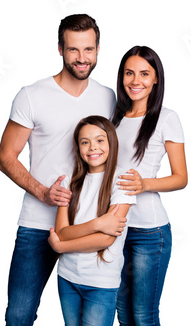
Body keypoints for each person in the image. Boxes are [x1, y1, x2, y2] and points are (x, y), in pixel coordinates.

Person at [0, 14, 119, 326]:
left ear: (98, 49)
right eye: (74, 50)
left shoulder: (107, 97)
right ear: (60, 49)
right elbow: (6, 156)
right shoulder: (32, 95)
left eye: (88, 50)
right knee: (19, 316)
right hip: (39, 223)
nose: (82, 58)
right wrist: (43, 192)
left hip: (89, 225)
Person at [113, 46, 188, 325]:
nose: (136, 81)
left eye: (144, 74)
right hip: (115, 228)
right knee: (123, 310)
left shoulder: (167, 118)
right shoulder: (115, 117)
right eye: (129, 73)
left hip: (149, 232)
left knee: (144, 315)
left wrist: (145, 184)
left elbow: (181, 177)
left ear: (156, 79)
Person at [48, 115, 136, 326]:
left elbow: (105, 240)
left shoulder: (122, 181)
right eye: (84, 142)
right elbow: (61, 232)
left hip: (100, 283)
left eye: (99, 140)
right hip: (67, 277)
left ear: (111, 143)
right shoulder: (69, 180)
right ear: (78, 148)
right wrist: (97, 224)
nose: (92, 147)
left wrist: (61, 246)